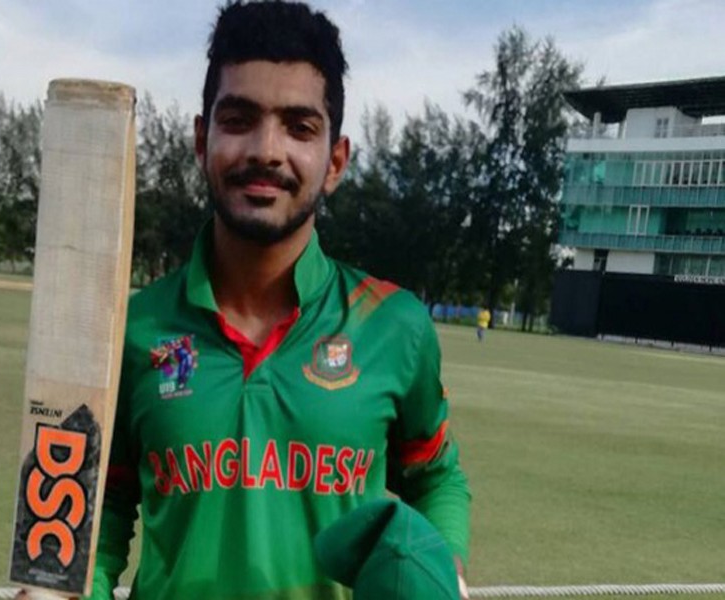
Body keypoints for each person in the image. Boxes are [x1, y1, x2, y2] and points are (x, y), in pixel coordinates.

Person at [89, 2, 471, 598]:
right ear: (200, 138)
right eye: (239, 118)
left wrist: (444, 573)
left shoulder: (392, 323)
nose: (267, 150)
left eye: (299, 127)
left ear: (335, 161)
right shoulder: (134, 328)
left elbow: (435, 475)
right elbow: (102, 503)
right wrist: (71, 586)